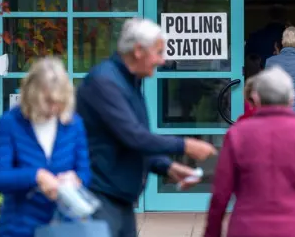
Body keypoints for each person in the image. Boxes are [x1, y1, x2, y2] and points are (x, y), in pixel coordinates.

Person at [76, 18, 217, 237]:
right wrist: (184, 145)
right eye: (158, 52)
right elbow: (133, 135)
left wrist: (165, 167)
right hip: (99, 199)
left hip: (119, 201)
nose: (163, 60)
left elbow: (127, 141)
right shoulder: (105, 82)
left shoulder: (130, 82)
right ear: (139, 50)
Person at [204, 66, 295, 237]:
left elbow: (220, 194)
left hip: (247, 228)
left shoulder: (237, 135)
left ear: (256, 98)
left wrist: (211, 233)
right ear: (291, 99)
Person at [0, 57, 91, 237]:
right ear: (32, 95)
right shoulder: (10, 123)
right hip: (19, 227)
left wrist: (75, 179)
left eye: (58, 102)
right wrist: (36, 176)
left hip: (64, 227)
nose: (53, 108)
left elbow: (85, 172)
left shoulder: (73, 124)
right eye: (48, 102)